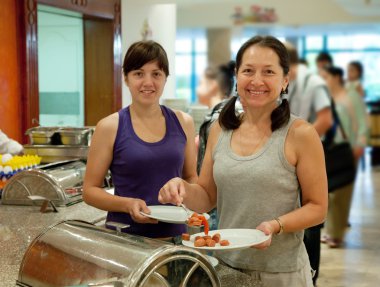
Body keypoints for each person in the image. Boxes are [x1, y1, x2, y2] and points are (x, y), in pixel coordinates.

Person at [159, 35, 328, 287]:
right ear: (237, 76)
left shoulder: (300, 133)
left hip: (281, 273)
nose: (257, 80)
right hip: (226, 267)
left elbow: (317, 207)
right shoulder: (220, 129)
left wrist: (275, 225)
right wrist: (181, 188)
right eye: (248, 71)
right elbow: (206, 196)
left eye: (268, 72)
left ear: (284, 80)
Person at [83, 40, 198, 240]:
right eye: (138, 73)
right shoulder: (110, 126)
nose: (148, 82)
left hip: (175, 240)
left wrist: (184, 192)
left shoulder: (183, 122)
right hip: (126, 242)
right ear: (126, 78)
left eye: (156, 74)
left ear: (165, 78)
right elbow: (90, 191)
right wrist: (127, 204)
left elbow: (190, 178)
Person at [285, 42, 333, 286]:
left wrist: (303, 142)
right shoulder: (288, 84)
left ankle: (311, 275)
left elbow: (325, 118)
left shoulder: (313, 82)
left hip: (306, 157)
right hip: (284, 157)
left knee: (310, 216)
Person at [319, 66, 368, 248]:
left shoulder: (351, 96)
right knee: (330, 191)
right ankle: (331, 229)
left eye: (326, 77)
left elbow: (363, 121)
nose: (324, 81)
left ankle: (337, 233)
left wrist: (360, 144)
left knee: (342, 192)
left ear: (337, 77)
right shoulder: (326, 97)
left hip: (349, 148)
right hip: (330, 149)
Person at [196, 61, 238, 231]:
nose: (197, 88)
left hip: (216, 205)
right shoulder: (224, 113)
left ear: (213, 86)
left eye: (200, 82)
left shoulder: (220, 118)